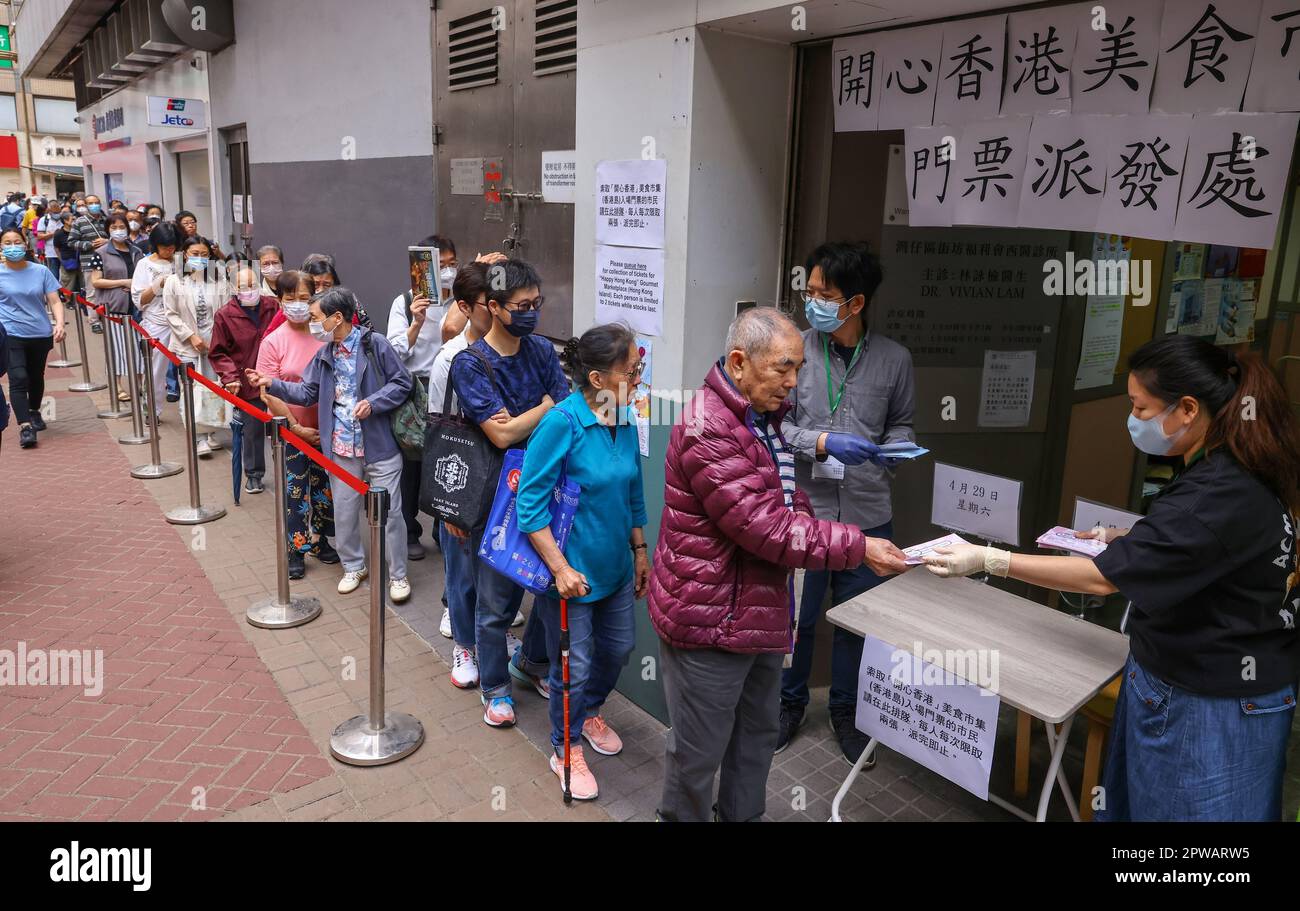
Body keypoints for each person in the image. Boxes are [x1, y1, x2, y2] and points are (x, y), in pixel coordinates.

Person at [924, 335, 1300, 822]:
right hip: (1200, 679)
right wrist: (1129, 535)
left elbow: (1101, 580)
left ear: (1187, 408)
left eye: (1141, 408)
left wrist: (988, 559)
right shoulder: (1240, 462)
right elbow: (1206, 545)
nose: (1134, 420)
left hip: (1212, 703)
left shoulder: (1218, 491)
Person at [649, 307, 909, 823]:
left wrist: (814, 522)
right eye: (783, 369)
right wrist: (859, 546)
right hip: (710, 621)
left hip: (758, 615)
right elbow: (765, 528)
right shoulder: (709, 428)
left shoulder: (762, 418)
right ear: (740, 362)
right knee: (698, 754)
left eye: (798, 371)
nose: (793, 383)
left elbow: (787, 505)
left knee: (755, 739)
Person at [777, 241, 916, 763]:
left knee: (858, 621)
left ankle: (848, 712)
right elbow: (774, 424)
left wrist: (898, 446)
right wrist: (820, 442)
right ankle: (787, 705)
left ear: (855, 304)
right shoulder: (793, 350)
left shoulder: (894, 360)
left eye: (824, 294)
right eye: (809, 291)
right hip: (803, 512)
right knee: (798, 619)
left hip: (868, 514)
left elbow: (901, 421)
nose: (812, 301)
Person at [516, 323, 649, 800]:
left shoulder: (624, 415)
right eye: (632, 370)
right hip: (570, 577)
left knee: (619, 650)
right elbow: (528, 507)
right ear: (596, 379)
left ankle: (588, 711)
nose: (639, 377)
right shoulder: (563, 423)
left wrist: (639, 550)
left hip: (614, 569)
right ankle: (564, 745)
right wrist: (560, 569)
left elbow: (633, 490)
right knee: (574, 665)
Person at [447, 258, 568, 728]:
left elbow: (563, 411)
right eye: (522, 305)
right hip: (496, 498)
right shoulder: (469, 364)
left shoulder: (539, 350)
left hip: (547, 491)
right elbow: (500, 437)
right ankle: (494, 687)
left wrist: (533, 415)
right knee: (496, 604)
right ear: (493, 307)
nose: (532, 312)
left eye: (537, 303)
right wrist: (544, 407)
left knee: (546, 590)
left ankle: (532, 665)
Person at [245, 287, 414, 602]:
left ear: (338, 318)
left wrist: (374, 402)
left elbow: (402, 382)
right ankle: (353, 565)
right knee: (346, 511)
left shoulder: (374, 344)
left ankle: (398, 575)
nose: (311, 324)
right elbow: (307, 392)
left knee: (392, 513)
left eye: (315, 318)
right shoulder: (324, 354)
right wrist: (272, 384)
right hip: (340, 447)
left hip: (379, 445)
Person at [256, 270, 338, 579]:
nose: (298, 305)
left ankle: (321, 541)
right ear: (279, 302)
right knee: (294, 493)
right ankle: (296, 549)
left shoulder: (325, 336)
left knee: (323, 489)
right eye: (290, 299)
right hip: (290, 433)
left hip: (326, 431)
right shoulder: (272, 342)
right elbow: (268, 392)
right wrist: (295, 427)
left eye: (304, 298)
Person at [387, 234, 451, 562]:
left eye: (453, 264)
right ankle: (411, 530)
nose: (448, 272)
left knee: (448, 459)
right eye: (442, 266)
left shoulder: (463, 301)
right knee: (412, 462)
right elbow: (395, 351)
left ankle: (445, 526)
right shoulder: (405, 300)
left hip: (451, 387)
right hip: (415, 389)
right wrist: (417, 322)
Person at [210, 263, 280, 495]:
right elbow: (219, 352)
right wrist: (230, 377)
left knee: (283, 426)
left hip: (275, 377)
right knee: (253, 430)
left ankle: (287, 472)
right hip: (247, 380)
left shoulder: (273, 306)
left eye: (252, 284)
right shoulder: (225, 315)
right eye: (242, 286)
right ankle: (254, 474)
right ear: (233, 287)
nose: (248, 290)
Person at [163, 235, 229, 455]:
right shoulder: (174, 281)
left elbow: (226, 312)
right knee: (191, 390)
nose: (200, 258)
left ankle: (209, 432)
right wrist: (191, 336)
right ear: (185, 255)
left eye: (204, 254)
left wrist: (218, 340)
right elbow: (171, 314)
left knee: (211, 388)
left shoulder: (218, 280)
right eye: (195, 254)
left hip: (213, 344)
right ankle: (197, 436)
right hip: (187, 345)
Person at [0, 226, 65, 449]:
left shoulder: (40, 271)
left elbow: (54, 300)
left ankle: (35, 410)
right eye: (7, 243)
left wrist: (59, 323)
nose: (12, 247)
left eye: (16, 242)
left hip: (39, 332)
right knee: (18, 377)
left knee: (36, 376)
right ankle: (25, 427)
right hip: (10, 334)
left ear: (25, 244)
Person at [88, 212, 146, 403]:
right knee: (116, 349)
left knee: (138, 348)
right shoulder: (101, 253)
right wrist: (123, 282)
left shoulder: (136, 251)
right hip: (114, 307)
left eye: (122, 227)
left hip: (137, 308)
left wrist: (134, 285)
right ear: (107, 230)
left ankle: (140, 384)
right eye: (114, 228)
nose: (118, 231)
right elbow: (96, 281)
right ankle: (118, 386)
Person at [131, 223, 180, 423]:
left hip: (182, 320)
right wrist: (158, 284)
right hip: (157, 323)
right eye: (165, 247)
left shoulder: (180, 261)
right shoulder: (145, 264)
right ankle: (152, 410)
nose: (169, 250)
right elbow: (139, 300)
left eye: (173, 246)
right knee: (155, 370)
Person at [70, 194, 109, 332]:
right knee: (92, 292)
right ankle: (94, 321)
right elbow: (72, 242)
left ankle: (109, 317)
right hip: (89, 262)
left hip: (109, 261)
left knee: (109, 290)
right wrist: (89, 244)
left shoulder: (107, 220)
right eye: (91, 203)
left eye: (96, 202)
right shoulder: (79, 222)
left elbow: (116, 237)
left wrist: (107, 241)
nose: (94, 205)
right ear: (86, 206)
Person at [36, 201, 64, 275]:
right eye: (55, 212)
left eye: (58, 212)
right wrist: (54, 233)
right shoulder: (44, 220)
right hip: (51, 253)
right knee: (54, 275)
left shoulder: (63, 219)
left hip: (64, 253)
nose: (57, 214)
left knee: (67, 276)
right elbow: (39, 237)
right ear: (49, 211)